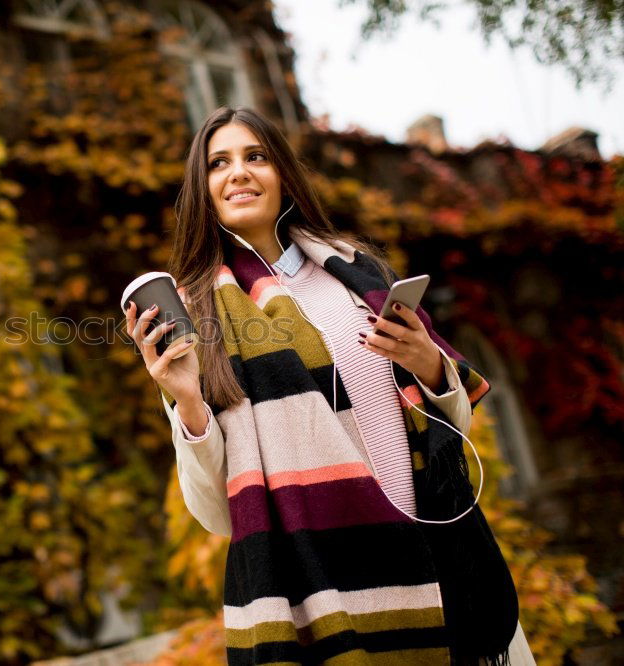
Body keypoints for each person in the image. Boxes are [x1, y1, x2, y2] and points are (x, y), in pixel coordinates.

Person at [124, 107, 533, 665]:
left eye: (256, 157)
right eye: (219, 163)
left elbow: (450, 430)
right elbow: (218, 514)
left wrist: (430, 368)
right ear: (204, 190)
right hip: (324, 586)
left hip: (444, 556)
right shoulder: (199, 320)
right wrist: (188, 401)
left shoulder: (356, 273)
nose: (238, 172)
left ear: (284, 176)